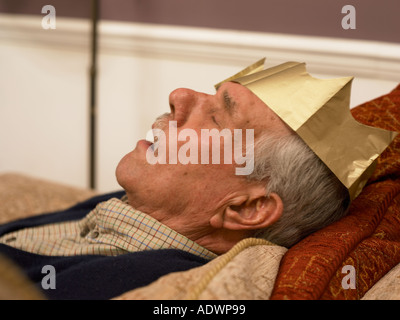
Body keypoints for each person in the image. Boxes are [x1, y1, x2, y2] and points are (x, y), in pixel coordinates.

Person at [0, 68, 351, 300]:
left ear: (246, 208)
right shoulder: (135, 206)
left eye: (216, 118)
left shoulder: (141, 280)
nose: (178, 95)